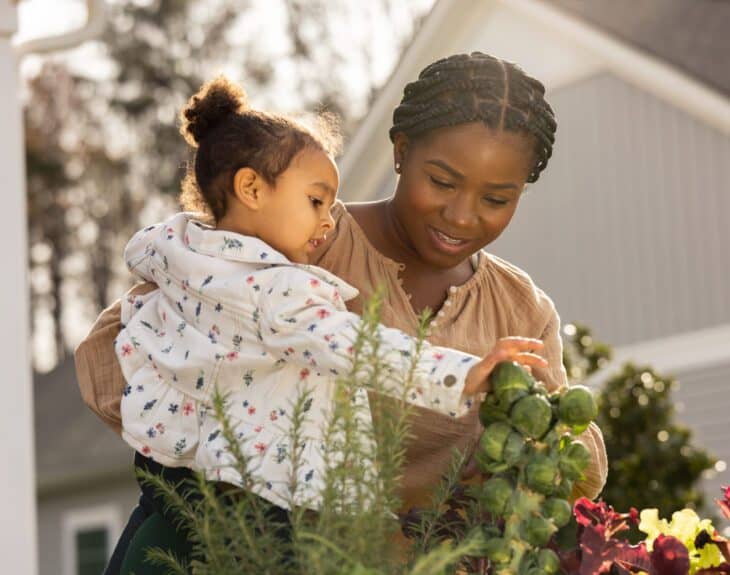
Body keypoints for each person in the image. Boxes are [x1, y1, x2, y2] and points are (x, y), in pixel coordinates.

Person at [75, 52, 608, 574]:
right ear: (400, 152)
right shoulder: (300, 245)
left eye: (496, 198)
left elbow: (575, 468)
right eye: (442, 182)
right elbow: (114, 357)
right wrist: (233, 472)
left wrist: (525, 445)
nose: (462, 214)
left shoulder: (518, 309)